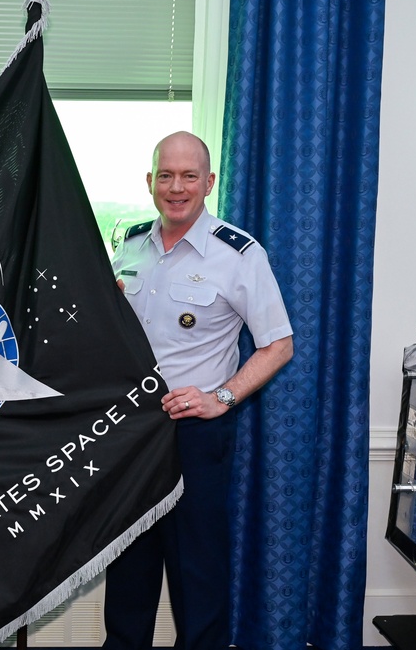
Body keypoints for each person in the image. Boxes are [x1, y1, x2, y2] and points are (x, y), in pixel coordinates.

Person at [103, 131, 294, 649]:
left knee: (198, 579)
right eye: (166, 175)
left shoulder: (238, 253)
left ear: (209, 182)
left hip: (195, 438)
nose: (176, 186)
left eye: (190, 176)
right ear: (150, 182)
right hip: (130, 436)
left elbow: (279, 343)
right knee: (126, 575)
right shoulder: (129, 246)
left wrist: (223, 398)